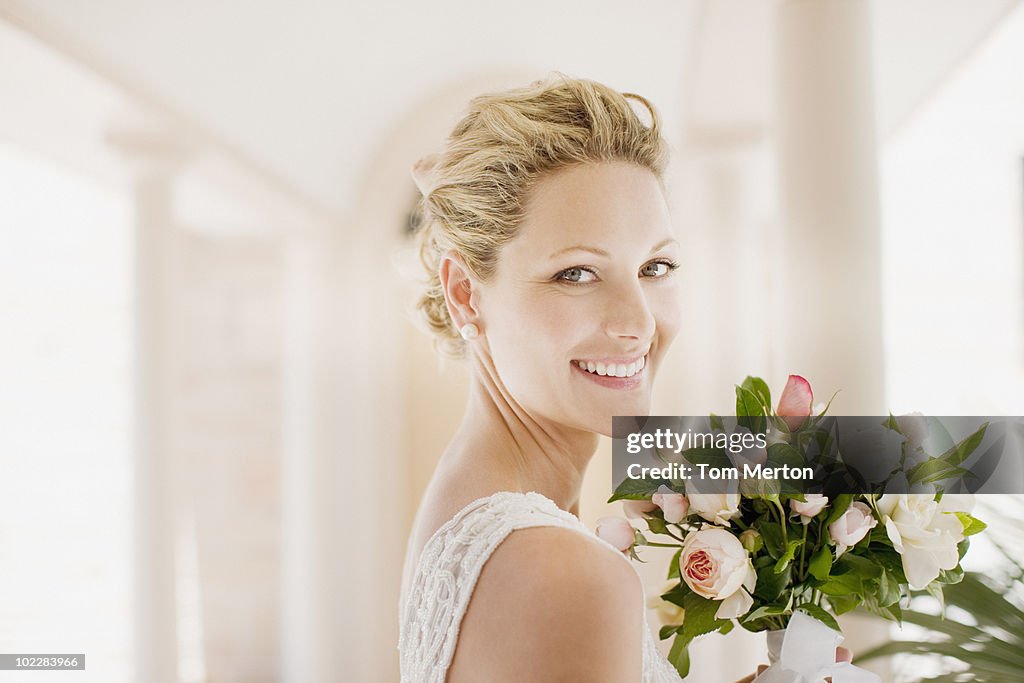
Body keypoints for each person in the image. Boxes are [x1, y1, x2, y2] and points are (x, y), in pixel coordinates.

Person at [396, 74, 847, 682]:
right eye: (577, 274)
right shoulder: (563, 570)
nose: (638, 322)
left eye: (655, 266)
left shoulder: (473, 512)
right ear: (465, 294)